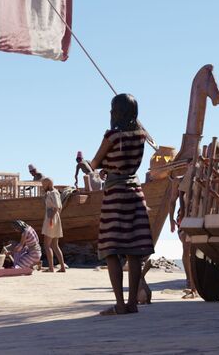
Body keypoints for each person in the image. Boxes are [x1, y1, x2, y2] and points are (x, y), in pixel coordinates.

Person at [90, 93, 154, 316]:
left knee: (112, 249)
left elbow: (95, 163)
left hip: (115, 194)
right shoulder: (141, 136)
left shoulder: (112, 136)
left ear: (116, 112)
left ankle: (119, 304)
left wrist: (95, 166)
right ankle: (133, 303)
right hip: (135, 192)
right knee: (134, 251)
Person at [173, 142, 219, 299]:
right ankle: (191, 284)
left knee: (204, 250)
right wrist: (182, 212)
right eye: (207, 151)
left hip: (209, 215)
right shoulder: (196, 169)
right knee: (188, 248)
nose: (208, 154)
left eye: (212, 152)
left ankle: (199, 284)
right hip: (193, 214)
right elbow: (182, 191)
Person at [41, 177, 66, 273]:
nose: (43, 186)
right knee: (55, 245)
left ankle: (51, 267)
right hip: (54, 218)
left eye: (44, 184)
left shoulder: (53, 193)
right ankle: (62, 267)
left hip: (51, 219)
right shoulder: (53, 193)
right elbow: (59, 207)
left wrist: (51, 218)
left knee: (47, 245)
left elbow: (57, 206)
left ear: (48, 184)